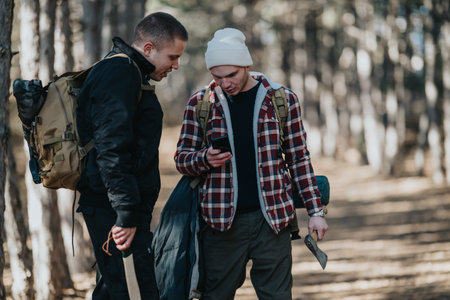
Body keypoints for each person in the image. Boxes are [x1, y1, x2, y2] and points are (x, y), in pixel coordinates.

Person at [174, 28, 328, 300]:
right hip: (220, 223)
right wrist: (204, 159)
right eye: (217, 76)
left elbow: (299, 158)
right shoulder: (200, 103)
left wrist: (316, 211)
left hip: (273, 220)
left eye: (231, 75)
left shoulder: (282, 100)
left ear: (247, 65)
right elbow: (182, 159)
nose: (225, 83)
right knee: (215, 295)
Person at [76, 12, 188, 299]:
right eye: (172, 57)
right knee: (137, 293)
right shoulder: (120, 73)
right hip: (114, 210)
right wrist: (125, 215)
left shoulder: (129, 72)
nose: (175, 66)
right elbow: (110, 149)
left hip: (117, 207)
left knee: (114, 292)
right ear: (148, 48)